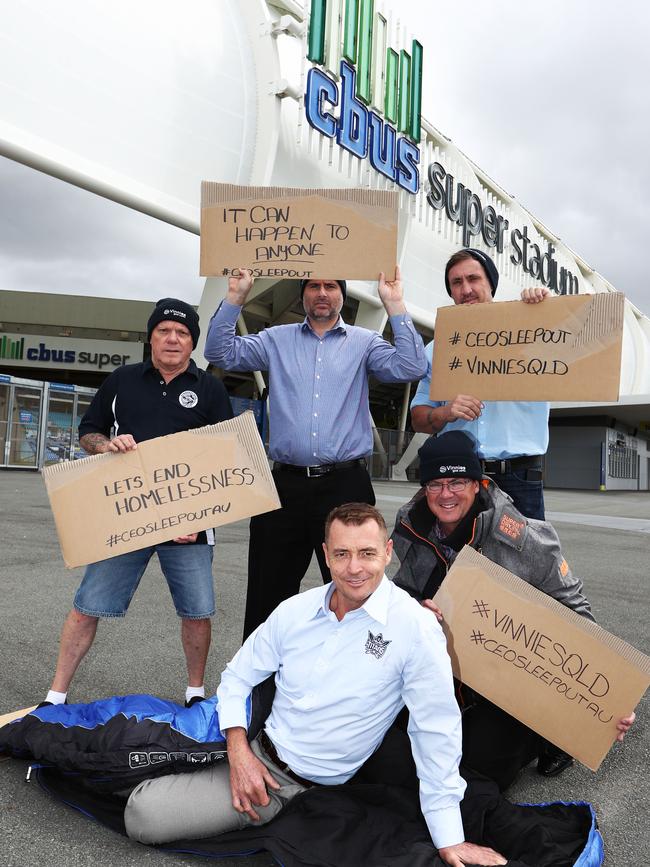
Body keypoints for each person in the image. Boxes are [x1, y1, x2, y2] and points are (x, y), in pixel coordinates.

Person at [123, 503, 507, 867]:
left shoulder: (415, 627)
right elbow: (237, 676)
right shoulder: (296, 610)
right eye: (342, 554)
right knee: (120, 748)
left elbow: (436, 730)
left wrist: (448, 837)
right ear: (325, 554)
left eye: (367, 554)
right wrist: (238, 751)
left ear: (388, 552)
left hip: (287, 782)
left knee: (142, 816)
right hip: (248, 741)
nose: (354, 568)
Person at [391, 430, 635, 788]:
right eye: (435, 483)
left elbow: (574, 605)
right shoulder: (411, 525)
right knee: (398, 752)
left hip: (508, 674)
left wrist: (614, 693)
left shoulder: (524, 538)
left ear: (477, 484)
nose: (446, 494)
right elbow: (402, 593)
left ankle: (548, 736)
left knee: (482, 773)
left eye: (457, 481)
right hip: (443, 664)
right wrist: (415, 609)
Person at [205, 268, 427, 638]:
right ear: (302, 294)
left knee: (357, 588)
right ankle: (263, 688)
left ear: (342, 294)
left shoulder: (364, 342)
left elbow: (412, 365)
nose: (322, 292)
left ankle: (361, 683)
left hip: (345, 485)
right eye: (313, 286)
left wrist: (394, 303)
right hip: (284, 484)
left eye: (330, 286)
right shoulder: (275, 340)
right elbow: (219, 351)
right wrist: (236, 295)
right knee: (268, 592)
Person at [41, 298, 233, 709]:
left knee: (197, 612)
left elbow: (227, 458)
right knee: (87, 605)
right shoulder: (122, 380)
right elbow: (88, 431)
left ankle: (195, 693)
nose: (172, 339)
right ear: (151, 337)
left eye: (182, 333)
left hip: (189, 524)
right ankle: (55, 696)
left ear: (192, 343)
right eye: (164, 330)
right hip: (126, 518)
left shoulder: (210, 389)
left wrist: (200, 520)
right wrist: (106, 444)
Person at [410, 248, 550, 520]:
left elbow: (576, 350)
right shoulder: (437, 350)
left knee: (524, 561)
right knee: (460, 560)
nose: (466, 289)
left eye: (474, 278)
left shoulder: (533, 335)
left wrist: (547, 312)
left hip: (519, 479)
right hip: (458, 478)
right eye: (457, 283)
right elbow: (418, 419)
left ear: (491, 283)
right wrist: (446, 412)